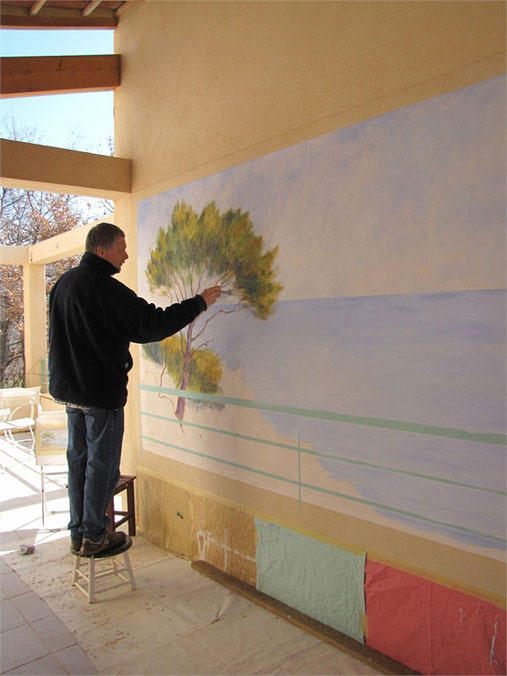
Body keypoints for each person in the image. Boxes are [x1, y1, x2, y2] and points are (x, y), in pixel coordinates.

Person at [48, 222, 221, 556]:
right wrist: (198, 303)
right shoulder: (106, 290)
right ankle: (95, 536)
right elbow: (152, 324)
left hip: (71, 393)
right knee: (102, 466)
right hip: (99, 395)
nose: (126, 255)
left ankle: (79, 534)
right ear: (101, 250)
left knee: (79, 462)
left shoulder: (64, 284)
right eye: (121, 248)